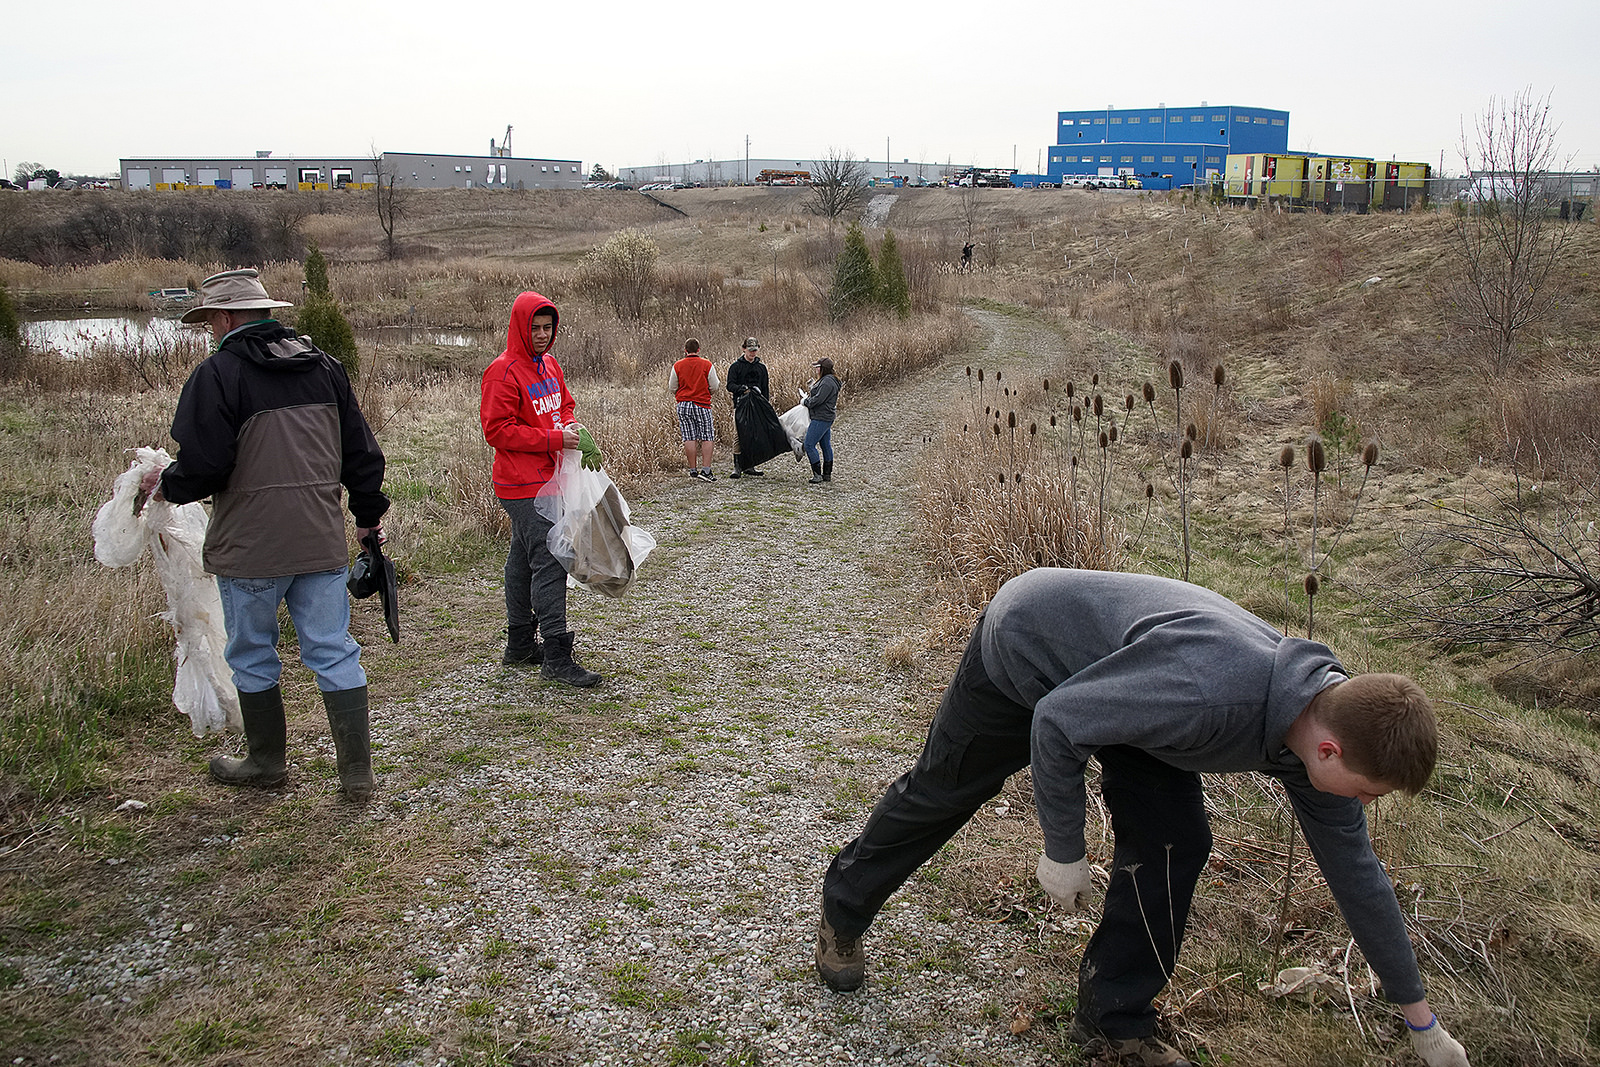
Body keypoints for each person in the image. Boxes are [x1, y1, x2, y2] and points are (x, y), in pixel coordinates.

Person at [817, 568, 1471, 1067]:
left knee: (1173, 839)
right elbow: (1059, 720)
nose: (1361, 805)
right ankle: (843, 905)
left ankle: (1114, 1019)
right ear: (1330, 749)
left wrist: (1422, 1022)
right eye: (1367, 793)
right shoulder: (1212, 696)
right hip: (1029, 644)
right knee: (945, 792)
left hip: (1129, 690)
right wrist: (1064, 851)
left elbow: (1357, 874)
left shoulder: (1321, 727)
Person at [139, 268, 389, 802]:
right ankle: (356, 776)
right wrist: (367, 516)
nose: (209, 331)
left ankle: (266, 762)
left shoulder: (218, 374)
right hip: (321, 540)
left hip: (249, 548)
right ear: (264, 312)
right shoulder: (325, 368)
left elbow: (203, 466)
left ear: (225, 318)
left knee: (252, 653)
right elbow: (362, 455)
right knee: (335, 651)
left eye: (210, 321)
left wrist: (164, 487)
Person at [481, 291, 601, 688]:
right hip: (520, 482)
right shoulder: (503, 372)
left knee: (521, 558)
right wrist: (554, 439)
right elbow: (496, 431)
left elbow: (564, 405)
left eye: (547, 328)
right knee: (551, 559)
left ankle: (519, 644)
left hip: (549, 478)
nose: (541, 335)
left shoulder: (550, 365)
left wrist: (570, 426)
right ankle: (555, 654)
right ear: (520, 326)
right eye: (534, 328)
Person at [669, 338, 720, 482]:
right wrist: (706, 392)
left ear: (685, 350)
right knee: (707, 436)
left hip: (684, 404)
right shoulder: (706, 364)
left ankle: (693, 470)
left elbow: (672, 387)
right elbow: (715, 386)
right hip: (702, 403)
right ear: (698, 350)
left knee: (689, 436)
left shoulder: (677, 365)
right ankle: (706, 470)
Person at [726, 337, 770, 479]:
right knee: (738, 435)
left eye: (755, 350)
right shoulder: (736, 367)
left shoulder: (761, 368)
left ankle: (750, 466)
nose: (753, 353)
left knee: (753, 435)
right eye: (750, 350)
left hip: (757, 406)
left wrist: (766, 405)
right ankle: (737, 467)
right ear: (744, 349)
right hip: (741, 405)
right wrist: (742, 388)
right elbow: (729, 386)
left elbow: (765, 388)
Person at [801, 357, 840, 485]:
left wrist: (805, 401)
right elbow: (821, 395)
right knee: (825, 445)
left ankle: (817, 475)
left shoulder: (827, 382)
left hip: (821, 417)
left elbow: (818, 400)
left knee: (809, 444)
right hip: (827, 417)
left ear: (823, 369)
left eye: (818, 367)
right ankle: (827, 474)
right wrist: (814, 387)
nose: (816, 369)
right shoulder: (829, 380)